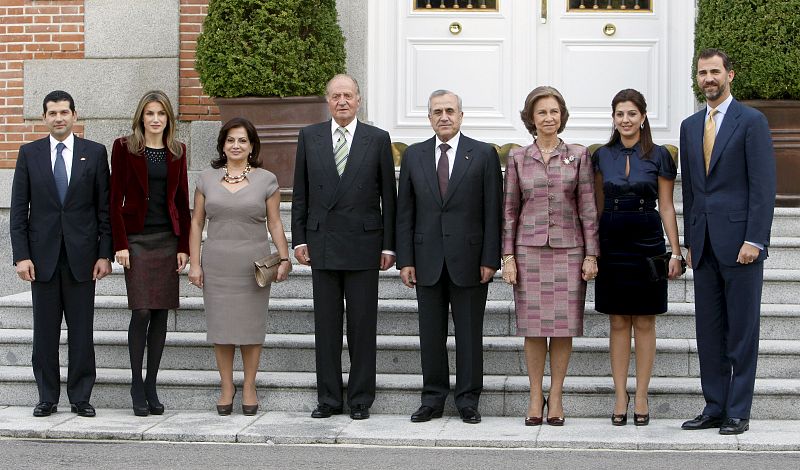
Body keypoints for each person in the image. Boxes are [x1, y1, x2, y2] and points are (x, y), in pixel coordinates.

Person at [679, 48, 775, 435]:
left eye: (715, 71)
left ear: (729, 75)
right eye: (702, 73)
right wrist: (688, 239)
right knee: (709, 331)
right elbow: (690, 188)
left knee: (741, 331)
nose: (708, 79)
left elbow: (763, 186)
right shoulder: (688, 126)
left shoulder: (751, 121)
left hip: (741, 245)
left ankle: (738, 410)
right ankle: (714, 406)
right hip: (703, 244)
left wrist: (756, 238)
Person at [291, 74, 397, 421]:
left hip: (364, 245)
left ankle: (361, 400)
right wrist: (300, 238)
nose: (342, 102)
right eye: (336, 96)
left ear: (359, 100)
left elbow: (389, 198)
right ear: (327, 100)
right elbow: (301, 191)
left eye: (348, 96)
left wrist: (389, 246)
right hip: (322, 244)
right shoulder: (309, 136)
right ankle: (329, 399)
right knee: (326, 327)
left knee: (363, 327)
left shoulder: (377, 139)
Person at [397, 89, 503, 425]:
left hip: (471, 260)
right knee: (431, 335)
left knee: (470, 334)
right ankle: (432, 399)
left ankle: (468, 400)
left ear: (461, 115)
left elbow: (493, 212)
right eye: (437, 111)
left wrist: (491, 258)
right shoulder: (413, 156)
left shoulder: (484, 154)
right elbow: (405, 213)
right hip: (426, 259)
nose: (444, 117)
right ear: (429, 117)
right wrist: (405, 259)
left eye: (450, 111)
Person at [10, 90, 112, 418]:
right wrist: (21, 255)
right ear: (44, 118)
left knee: (82, 332)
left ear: (74, 115)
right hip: (41, 260)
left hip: (83, 258)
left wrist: (104, 253)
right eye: (52, 113)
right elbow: (18, 210)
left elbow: (104, 210)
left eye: (64, 112)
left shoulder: (94, 154)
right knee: (45, 333)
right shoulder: (30, 154)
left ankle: (81, 397)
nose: (58, 118)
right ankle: (47, 397)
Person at [501, 86, 598, 426]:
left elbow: (587, 207)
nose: (548, 118)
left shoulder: (578, 155)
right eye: (541, 112)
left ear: (562, 116)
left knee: (562, 328)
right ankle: (533, 396)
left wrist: (591, 254)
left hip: (569, 252)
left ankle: (555, 396)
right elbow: (510, 210)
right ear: (531, 117)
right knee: (532, 328)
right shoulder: (517, 157)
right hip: (528, 251)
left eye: (554, 111)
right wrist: (508, 256)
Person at [188, 117, 291, 416]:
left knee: (250, 328)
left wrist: (283, 257)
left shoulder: (267, 180)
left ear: (251, 146)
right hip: (217, 263)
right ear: (222, 144)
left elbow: (274, 222)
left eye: (242, 140)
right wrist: (195, 263)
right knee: (221, 328)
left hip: (254, 265)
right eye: (231, 140)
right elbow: (196, 223)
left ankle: (248, 385)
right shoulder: (207, 179)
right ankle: (226, 386)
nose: (236, 145)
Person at [592, 89, 682, 426]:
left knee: (645, 321)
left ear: (643, 117)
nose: (626, 120)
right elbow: (596, 206)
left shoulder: (660, 155)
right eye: (620, 114)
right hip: (612, 241)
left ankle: (642, 394)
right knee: (617, 321)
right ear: (613, 119)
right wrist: (593, 249)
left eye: (632, 113)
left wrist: (675, 251)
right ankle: (620, 394)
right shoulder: (600, 156)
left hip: (648, 242)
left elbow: (667, 206)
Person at [109, 90, 191, 416]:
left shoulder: (177, 151)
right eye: (149, 114)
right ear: (141, 118)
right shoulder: (124, 148)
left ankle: (151, 384)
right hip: (137, 240)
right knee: (141, 309)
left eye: (161, 114)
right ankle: (134, 382)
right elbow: (114, 200)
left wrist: (184, 247)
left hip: (167, 240)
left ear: (168, 118)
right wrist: (119, 244)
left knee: (160, 313)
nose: (155, 119)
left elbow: (182, 202)